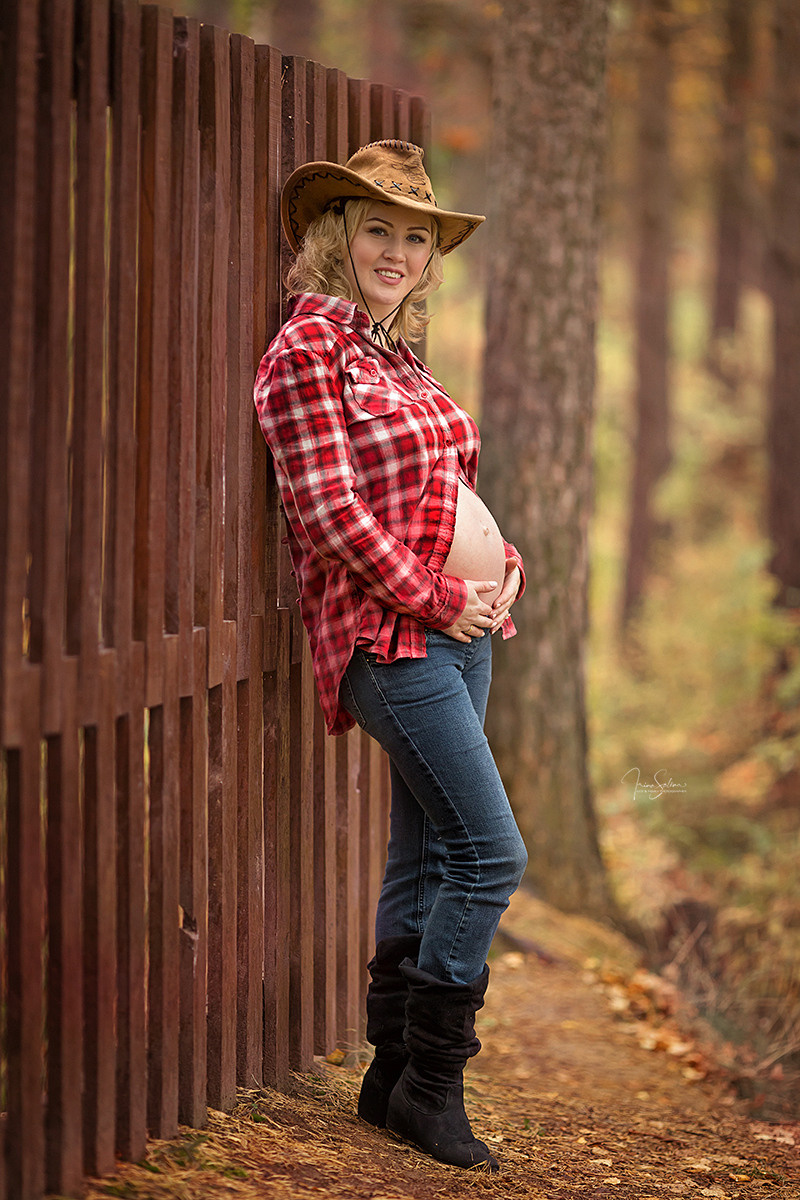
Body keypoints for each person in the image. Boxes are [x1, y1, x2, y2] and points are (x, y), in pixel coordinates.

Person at [254, 140, 528, 1173]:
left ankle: (383, 1079)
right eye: (378, 228)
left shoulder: (394, 354)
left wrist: (500, 563)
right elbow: (326, 518)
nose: (397, 250)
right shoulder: (307, 352)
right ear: (335, 235)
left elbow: (440, 490)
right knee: (491, 855)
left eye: (414, 237)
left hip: (460, 629)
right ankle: (431, 1082)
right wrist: (442, 594)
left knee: (426, 856)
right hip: (390, 636)